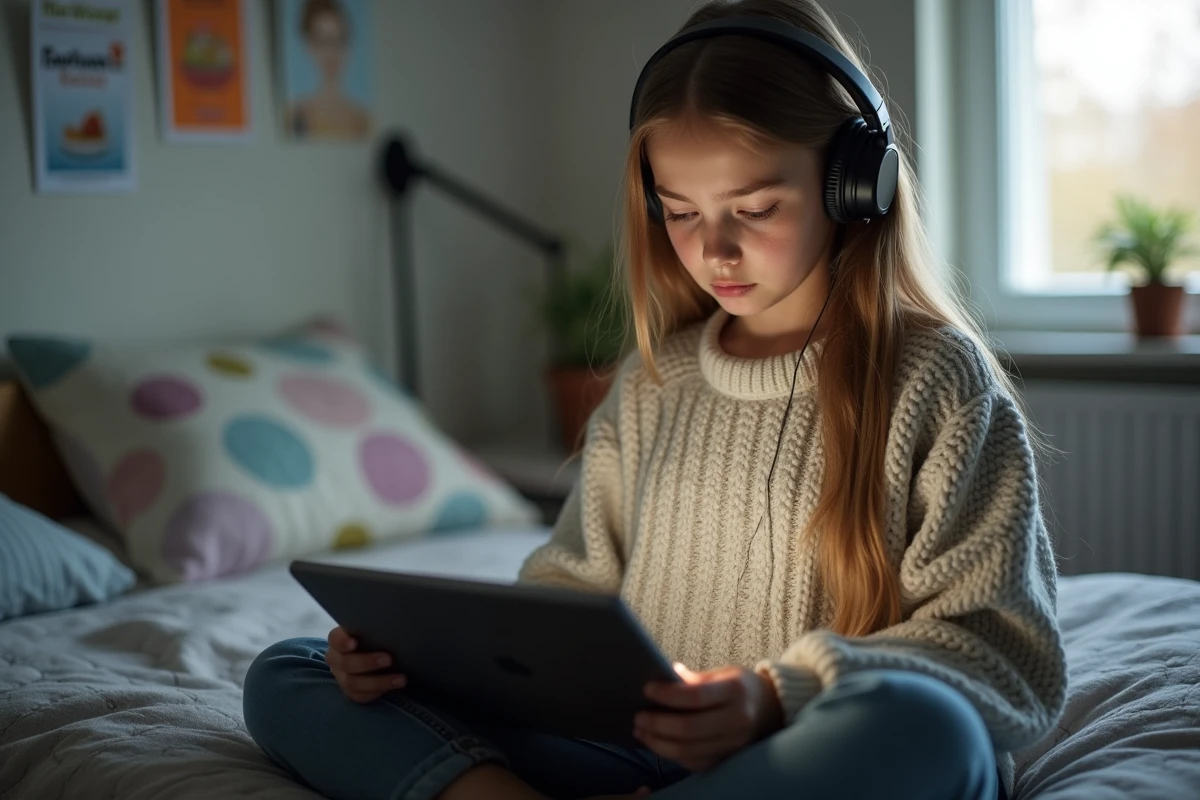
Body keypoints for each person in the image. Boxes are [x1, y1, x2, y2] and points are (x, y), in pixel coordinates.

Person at [243, 1, 1067, 798]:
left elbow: (1002, 659)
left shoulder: (936, 379)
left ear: (854, 183)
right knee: (293, 672)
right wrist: (422, 664)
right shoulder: (654, 381)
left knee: (930, 730)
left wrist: (773, 695)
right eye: (680, 212)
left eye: (754, 208)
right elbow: (566, 593)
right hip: (630, 747)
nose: (715, 247)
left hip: (802, 750)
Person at [286, 0, 370, 139]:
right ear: (309, 46)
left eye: (340, 40)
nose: (332, 52)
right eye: (324, 41)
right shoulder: (296, 115)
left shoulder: (362, 119)